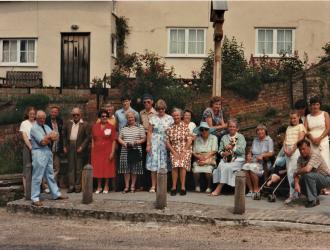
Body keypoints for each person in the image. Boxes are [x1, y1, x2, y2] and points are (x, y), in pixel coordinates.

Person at [30, 110, 67, 206]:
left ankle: (56, 194)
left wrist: (48, 137)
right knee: (37, 176)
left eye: (43, 118)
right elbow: (42, 142)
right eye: (40, 118)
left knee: (50, 174)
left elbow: (56, 136)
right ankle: (35, 198)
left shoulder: (46, 126)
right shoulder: (34, 128)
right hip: (38, 152)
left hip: (47, 152)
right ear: (36, 118)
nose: (42, 120)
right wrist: (50, 137)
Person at [210, 119, 246, 196]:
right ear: (228, 128)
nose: (232, 128)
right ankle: (221, 188)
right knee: (220, 166)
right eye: (230, 126)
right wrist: (223, 153)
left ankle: (218, 189)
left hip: (238, 159)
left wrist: (233, 147)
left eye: (233, 127)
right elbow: (219, 150)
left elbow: (242, 151)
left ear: (237, 128)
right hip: (226, 159)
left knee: (226, 167)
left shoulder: (240, 137)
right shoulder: (224, 137)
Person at [146, 99, 174, 192]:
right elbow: (149, 132)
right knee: (154, 164)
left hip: (165, 142)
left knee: (164, 164)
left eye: (162, 109)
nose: (161, 110)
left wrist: (170, 144)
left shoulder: (170, 118)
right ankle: (153, 186)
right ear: (157, 109)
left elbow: (172, 132)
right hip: (154, 142)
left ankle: (162, 186)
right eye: (159, 109)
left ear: (165, 108)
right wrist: (148, 144)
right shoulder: (153, 118)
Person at [293, 139, 330, 208]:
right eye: (300, 150)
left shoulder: (315, 155)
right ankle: (314, 195)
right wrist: (296, 184)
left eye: (303, 149)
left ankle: (313, 200)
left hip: (326, 178)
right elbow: (297, 174)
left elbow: (307, 169)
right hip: (313, 179)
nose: (302, 151)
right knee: (294, 183)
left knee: (308, 175)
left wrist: (296, 173)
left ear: (309, 147)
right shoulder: (300, 158)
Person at [63, 107, 90, 193]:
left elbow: (88, 137)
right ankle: (71, 186)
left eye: (77, 114)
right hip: (70, 145)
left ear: (80, 115)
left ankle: (78, 186)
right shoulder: (68, 123)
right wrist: (64, 146)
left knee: (78, 167)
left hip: (79, 146)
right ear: (72, 115)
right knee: (71, 167)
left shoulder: (85, 124)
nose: (76, 116)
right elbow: (64, 136)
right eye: (74, 114)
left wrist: (82, 146)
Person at [117, 111, 146, 193]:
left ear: (135, 118)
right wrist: (124, 143)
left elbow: (144, 138)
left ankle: (132, 186)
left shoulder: (140, 127)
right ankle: (126, 186)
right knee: (126, 169)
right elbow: (119, 138)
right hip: (125, 150)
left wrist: (136, 142)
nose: (130, 119)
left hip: (136, 150)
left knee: (134, 169)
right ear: (127, 118)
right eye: (129, 117)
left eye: (132, 117)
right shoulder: (123, 128)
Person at [242, 124, 274, 196]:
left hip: (264, 162)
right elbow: (251, 150)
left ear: (265, 131)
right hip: (254, 161)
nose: (260, 131)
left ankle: (256, 189)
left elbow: (271, 153)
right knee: (245, 167)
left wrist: (263, 155)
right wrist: (249, 155)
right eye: (258, 130)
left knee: (252, 167)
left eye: (262, 130)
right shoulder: (255, 140)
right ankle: (251, 189)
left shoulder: (269, 140)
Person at [166, 108, 192, 196]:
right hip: (174, 150)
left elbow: (189, 140)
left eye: (177, 115)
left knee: (182, 163)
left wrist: (184, 151)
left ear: (180, 116)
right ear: (172, 116)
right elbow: (167, 142)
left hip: (185, 149)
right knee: (175, 164)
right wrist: (174, 152)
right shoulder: (170, 128)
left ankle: (183, 187)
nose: (176, 117)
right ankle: (173, 187)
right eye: (174, 115)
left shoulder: (185, 126)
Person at [282, 110, 306, 204]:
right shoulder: (288, 127)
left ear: (298, 117)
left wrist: (292, 150)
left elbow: (300, 139)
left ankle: (293, 195)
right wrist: (285, 149)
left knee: (294, 172)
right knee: (289, 172)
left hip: (295, 150)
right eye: (291, 118)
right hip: (287, 151)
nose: (293, 120)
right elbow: (285, 139)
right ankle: (294, 194)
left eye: (295, 118)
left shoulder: (301, 126)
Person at [91, 110, 117, 194]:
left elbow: (113, 140)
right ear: (100, 117)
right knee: (98, 168)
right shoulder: (95, 126)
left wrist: (112, 152)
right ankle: (99, 186)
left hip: (107, 150)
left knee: (107, 168)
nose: (104, 117)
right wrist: (92, 148)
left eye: (106, 116)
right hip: (97, 151)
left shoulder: (111, 127)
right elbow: (93, 139)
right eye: (103, 116)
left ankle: (106, 185)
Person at [192, 122, 218, 193]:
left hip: (210, 157)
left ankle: (209, 186)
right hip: (199, 158)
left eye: (206, 129)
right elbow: (194, 151)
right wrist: (199, 157)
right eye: (202, 129)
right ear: (200, 131)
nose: (204, 131)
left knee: (208, 171)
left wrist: (206, 157)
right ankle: (197, 185)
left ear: (209, 130)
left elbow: (214, 150)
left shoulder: (214, 138)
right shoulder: (197, 139)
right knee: (195, 170)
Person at [19, 106, 36, 194]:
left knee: (36, 168)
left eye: (33, 114)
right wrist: (30, 146)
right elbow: (25, 136)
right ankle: (26, 191)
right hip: (27, 145)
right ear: (27, 114)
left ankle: (35, 190)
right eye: (30, 114)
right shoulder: (24, 123)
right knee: (27, 167)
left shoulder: (37, 123)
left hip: (36, 146)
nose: (32, 115)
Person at [45, 105, 64, 183]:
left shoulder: (60, 120)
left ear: (57, 113)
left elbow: (61, 134)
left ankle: (53, 185)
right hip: (49, 147)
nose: (54, 113)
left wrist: (62, 147)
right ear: (50, 112)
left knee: (56, 168)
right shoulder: (46, 120)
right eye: (52, 112)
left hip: (57, 148)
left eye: (55, 112)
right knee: (48, 167)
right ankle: (46, 185)